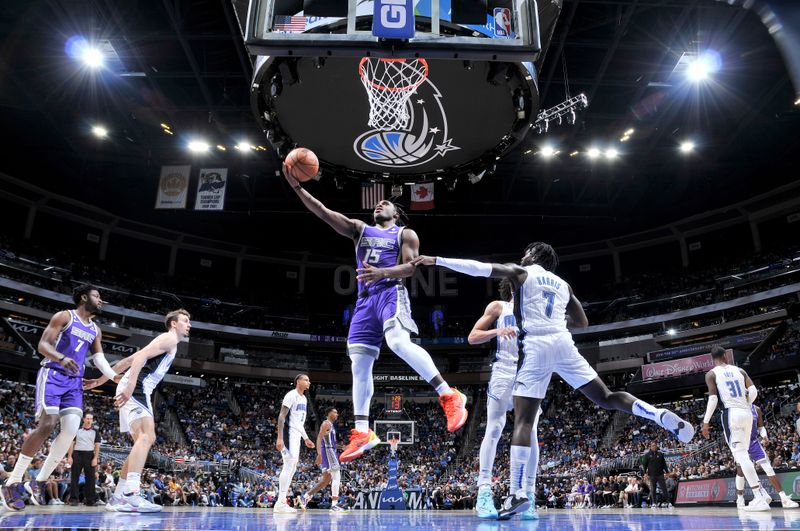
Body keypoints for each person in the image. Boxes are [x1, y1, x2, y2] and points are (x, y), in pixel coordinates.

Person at [411, 242, 695, 518]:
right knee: (606, 397)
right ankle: (657, 415)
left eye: (527, 252)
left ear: (535, 255)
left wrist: (437, 260)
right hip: (563, 343)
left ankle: (519, 493)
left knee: (523, 423)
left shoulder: (522, 273)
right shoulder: (563, 285)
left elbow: (480, 268)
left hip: (535, 347)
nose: (523, 255)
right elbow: (582, 322)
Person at [284, 168, 467, 463]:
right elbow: (323, 211)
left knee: (397, 342)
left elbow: (411, 267)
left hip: (390, 292)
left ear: (396, 212)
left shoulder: (404, 233)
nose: (380, 204)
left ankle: (449, 394)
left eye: (386, 203)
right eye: (377, 204)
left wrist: (382, 272)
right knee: (359, 363)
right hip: (364, 303)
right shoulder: (359, 230)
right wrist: (297, 187)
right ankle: (362, 431)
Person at [0, 284, 118, 511]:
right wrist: (62, 358)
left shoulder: (95, 329)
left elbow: (100, 359)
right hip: (53, 374)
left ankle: (39, 481)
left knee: (72, 429)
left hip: (74, 383)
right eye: (97, 296)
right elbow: (43, 345)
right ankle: (12, 482)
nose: (101, 300)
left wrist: (114, 377)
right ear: (84, 297)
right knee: (48, 424)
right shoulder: (65, 316)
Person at [84, 308, 192, 513]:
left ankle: (118, 497)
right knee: (147, 437)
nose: (189, 324)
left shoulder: (166, 342)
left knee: (139, 444)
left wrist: (100, 380)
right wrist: (132, 384)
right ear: (174, 324)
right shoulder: (169, 339)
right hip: (138, 388)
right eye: (185, 321)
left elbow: (127, 361)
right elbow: (141, 356)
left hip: (138, 388)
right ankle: (131, 493)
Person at [470, 279, 540, 520]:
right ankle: (484, 492)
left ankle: (528, 495)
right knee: (494, 428)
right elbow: (473, 336)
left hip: (530, 369)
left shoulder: (535, 309)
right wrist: (497, 331)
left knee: (531, 432)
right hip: (503, 370)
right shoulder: (498, 307)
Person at [701, 345, 771, 511]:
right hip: (747, 413)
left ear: (712, 359)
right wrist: (746, 404)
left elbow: (713, 399)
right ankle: (761, 495)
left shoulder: (711, 374)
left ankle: (759, 497)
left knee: (741, 457)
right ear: (725, 355)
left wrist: (705, 422)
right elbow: (753, 391)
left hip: (731, 414)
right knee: (744, 456)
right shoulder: (740, 370)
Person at [734, 403, 798, 509]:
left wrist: (764, 436)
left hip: (753, 442)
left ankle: (784, 498)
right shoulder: (736, 409)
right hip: (740, 443)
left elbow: (761, 427)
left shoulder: (756, 409)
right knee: (741, 471)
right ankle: (740, 498)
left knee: (768, 468)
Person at [274, 374, 315, 513]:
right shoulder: (291, 395)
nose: (309, 382)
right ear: (298, 381)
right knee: (289, 465)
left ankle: (282, 502)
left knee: (292, 467)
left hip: (296, 435)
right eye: (306, 380)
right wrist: (280, 437)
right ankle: (280, 503)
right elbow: (281, 416)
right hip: (288, 434)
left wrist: (306, 438)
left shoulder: (303, 398)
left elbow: (299, 422)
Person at [300, 407, 346, 512]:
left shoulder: (331, 426)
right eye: (335, 412)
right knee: (337, 476)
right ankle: (334, 505)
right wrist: (319, 454)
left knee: (325, 481)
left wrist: (342, 447)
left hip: (330, 451)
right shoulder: (326, 424)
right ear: (328, 413)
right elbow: (319, 438)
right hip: (329, 452)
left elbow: (330, 443)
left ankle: (306, 496)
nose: (337, 414)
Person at [67, 412, 101, 506]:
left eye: (91, 419)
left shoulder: (96, 432)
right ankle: (73, 499)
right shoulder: (76, 430)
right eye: (88, 418)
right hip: (77, 454)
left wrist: (95, 458)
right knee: (75, 477)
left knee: (90, 478)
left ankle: (90, 500)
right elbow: (71, 444)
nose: (89, 420)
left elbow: (97, 446)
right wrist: (69, 456)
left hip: (89, 454)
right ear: (84, 419)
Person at [641, 442, 669, 508]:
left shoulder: (660, 454)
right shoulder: (647, 455)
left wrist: (667, 472)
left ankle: (669, 502)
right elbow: (644, 465)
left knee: (664, 488)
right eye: (653, 445)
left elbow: (664, 464)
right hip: (652, 475)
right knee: (653, 489)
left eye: (655, 445)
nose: (654, 446)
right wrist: (645, 473)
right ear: (650, 447)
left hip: (660, 474)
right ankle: (654, 503)